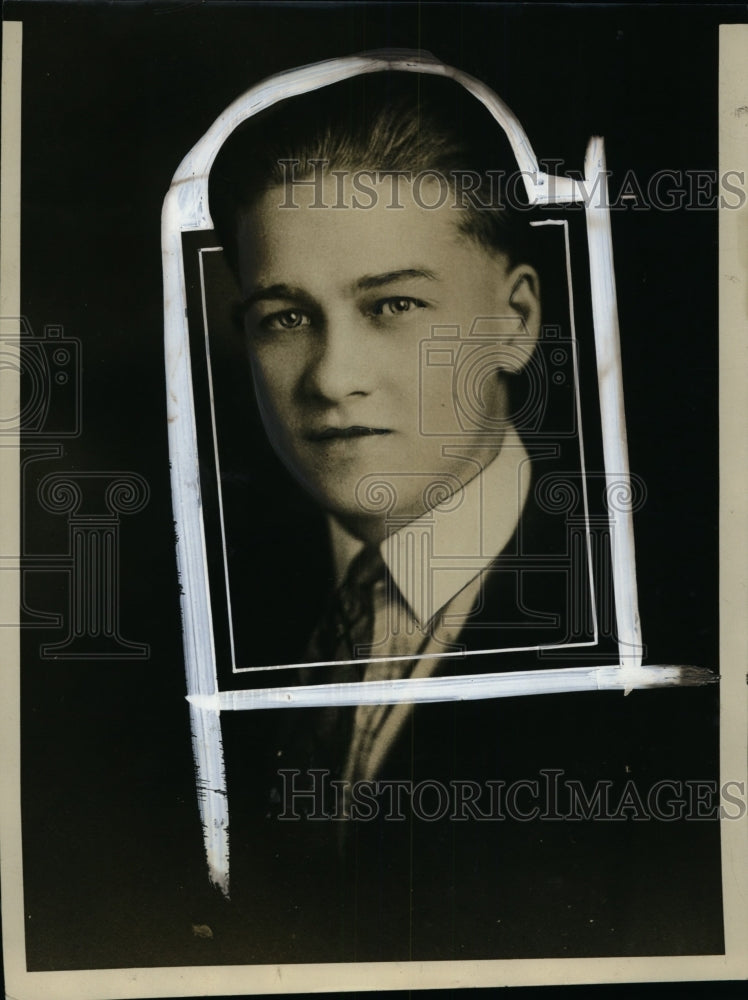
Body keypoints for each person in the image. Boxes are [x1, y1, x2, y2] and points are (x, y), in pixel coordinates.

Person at [202, 68, 722, 963]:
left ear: (517, 320)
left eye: (393, 305)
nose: (332, 379)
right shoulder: (222, 602)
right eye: (285, 317)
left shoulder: (679, 638)